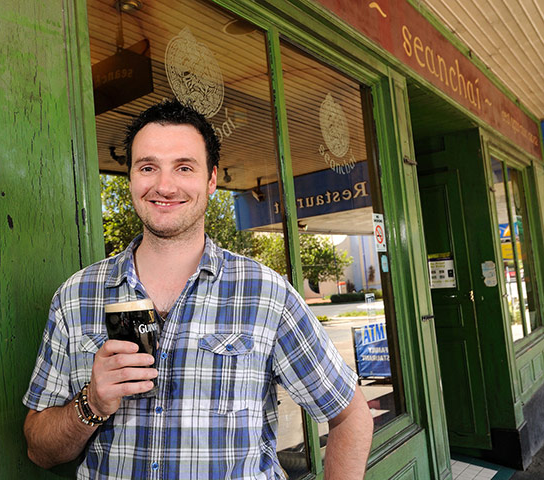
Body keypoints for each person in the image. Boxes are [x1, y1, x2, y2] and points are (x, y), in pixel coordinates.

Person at [23, 99, 373, 479]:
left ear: (211, 180)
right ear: (131, 179)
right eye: (147, 167)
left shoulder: (265, 293)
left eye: (184, 167)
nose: (164, 185)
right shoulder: (76, 297)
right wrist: (92, 402)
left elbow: (350, 415)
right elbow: (39, 449)